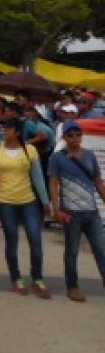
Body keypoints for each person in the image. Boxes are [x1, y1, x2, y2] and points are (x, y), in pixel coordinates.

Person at [0, 117, 51, 298]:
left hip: (28, 202)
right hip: (5, 202)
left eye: (8, 129)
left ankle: (37, 278)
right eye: (4, 128)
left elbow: (38, 179)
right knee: (11, 241)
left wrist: (45, 202)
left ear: (18, 132)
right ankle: (16, 278)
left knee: (35, 240)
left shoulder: (30, 150)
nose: (4, 131)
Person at [48, 120, 105, 302]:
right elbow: (54, 183)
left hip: (92, 212)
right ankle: (72, 286)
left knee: (101, 249)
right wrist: (55, 209)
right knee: (72, 251)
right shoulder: (57, 158)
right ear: (63, 137)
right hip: (71, 213)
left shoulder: (89, 156)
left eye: (78, 134)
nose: (75, 138)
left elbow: (98, 182)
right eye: (70, 135)